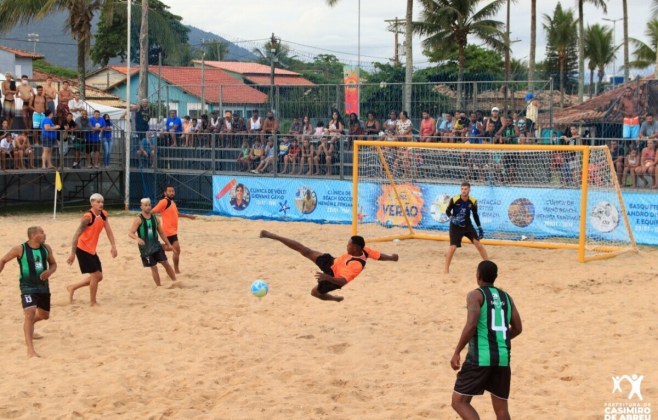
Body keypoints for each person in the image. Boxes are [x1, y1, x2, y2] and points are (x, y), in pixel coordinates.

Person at [450, 260, 523, 420]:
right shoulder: (507, 298)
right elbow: (518, 328)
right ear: (495, 277)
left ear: (478, 275)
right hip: (503, 358)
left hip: (480, 357)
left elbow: (471, 325)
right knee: (502, 410)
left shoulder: (475, 295)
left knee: (459, 401)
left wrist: (457, 352)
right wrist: (498, 340)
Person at [259, 230, 399, 302]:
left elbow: (342, 281)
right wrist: (392, 258)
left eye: (349, 244)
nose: (347, 245)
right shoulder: (365, 250)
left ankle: (334, 298)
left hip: (334, 278)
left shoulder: (356, 265)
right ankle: (273, 236)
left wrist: (326, 276)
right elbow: (380, 256)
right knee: (306, 251)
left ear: (355, 247)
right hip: (332, 262)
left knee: (315, 293)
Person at [0, 226, 58, 358]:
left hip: (43, 287)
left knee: (44, 315)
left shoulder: (46, 248)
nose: (44, 234)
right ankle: (30, 350)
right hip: (27, 287)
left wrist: (49, 271)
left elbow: (54, 264)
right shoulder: (20, 249)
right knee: (30, 313)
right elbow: (3, 260)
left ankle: (30, 324)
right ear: (33, 235)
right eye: (42, 232)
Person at [66, 193, 118, 306]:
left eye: (102, 202)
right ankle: (93, 302)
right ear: (92, 203)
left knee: (99, 276)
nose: (101, 204)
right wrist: (72, 254)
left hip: (91, 250)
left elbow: (108, 230)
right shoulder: (87, 217)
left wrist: (113, 246)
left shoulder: (104, 215)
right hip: (82, 249)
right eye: (98, 202)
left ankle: (72, 287)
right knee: (95, 275)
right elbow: (76, 235)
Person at [128, 198, 176, 286]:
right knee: (154, 267)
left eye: (149, 205)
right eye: (145, 205)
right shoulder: (139, 219)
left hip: (156, 245)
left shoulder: (155, 218)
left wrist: (169, 244)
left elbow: (161, 232)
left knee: (165, 263)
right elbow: (131, 233)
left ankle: (175, 281)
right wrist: (137, 238)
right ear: (141, 207)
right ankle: (159, 286)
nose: (148, 207)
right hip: (145, 249)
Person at [445, 182, 489, 274]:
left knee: (478, 244)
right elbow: (448, 211)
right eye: (462, 189)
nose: (463, 191)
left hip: (467, 225)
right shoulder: (454, 199)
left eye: (465, 189)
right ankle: (446, 269)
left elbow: (475, 215)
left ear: (469, 190)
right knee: (452, 247)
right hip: (455, 226)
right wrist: (452, 218)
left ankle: (488, 264)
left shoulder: (473, 201)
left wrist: (479, 227)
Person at [151, 185, 197, 274]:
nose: (172, 193)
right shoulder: (164, 202)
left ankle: (157, 248)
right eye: (169, 191)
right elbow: (152, 211)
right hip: (168, 231)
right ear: (165, 193)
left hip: (172, 230)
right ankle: (157, 248)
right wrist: (154, 220)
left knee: (176, 250)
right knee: (176, 250)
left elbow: (177, 214)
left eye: (173, 191)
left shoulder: (172, 202)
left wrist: (189, 217)